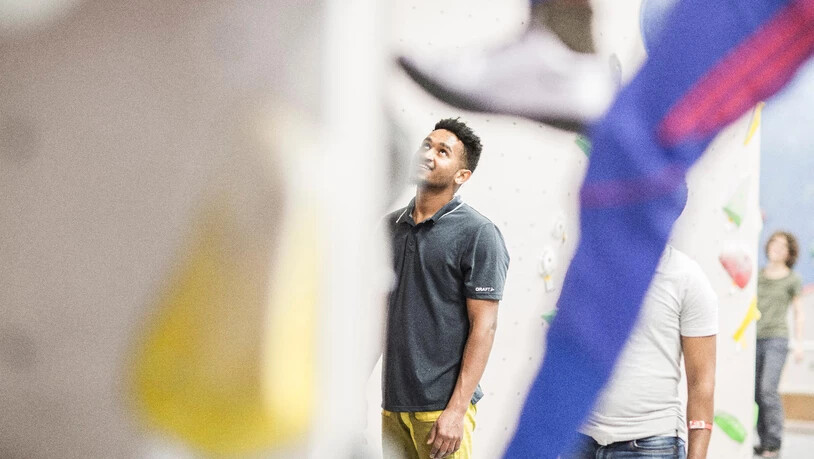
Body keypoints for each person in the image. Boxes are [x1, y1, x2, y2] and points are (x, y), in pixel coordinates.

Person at [398, 1, 814, 456]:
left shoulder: (688, 282)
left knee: (634, 160)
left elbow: (702, 380)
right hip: (591, 436)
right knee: (632, 156)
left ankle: (561, 45)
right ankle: (562, 34)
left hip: (648, 438)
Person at [382, 118, 510, 459]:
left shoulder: (478, 233)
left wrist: (456, 411)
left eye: (443, 152)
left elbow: (484, 326)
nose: (428, 154)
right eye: (426, 145)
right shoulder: (390, 227)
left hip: (442, 412)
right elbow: (378, 315)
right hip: (393, 405)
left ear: (462, 175)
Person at [563, 244, 717, 459]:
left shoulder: (686, 277)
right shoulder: (590, 265)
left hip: (652, 444)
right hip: (579, 438)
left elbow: (701, 381)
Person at [754, 231, 805, 458]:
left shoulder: (792, 279)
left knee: (768, 389)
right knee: (756, 392)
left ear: (789, 253)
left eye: (783, 246)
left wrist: (799, 344)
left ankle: (773, 444)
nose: (776, 247)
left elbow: (799, 313)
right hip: (754, 339)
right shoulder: (757, 276)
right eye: (774, 242)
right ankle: (764, 440)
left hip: (776, 339)